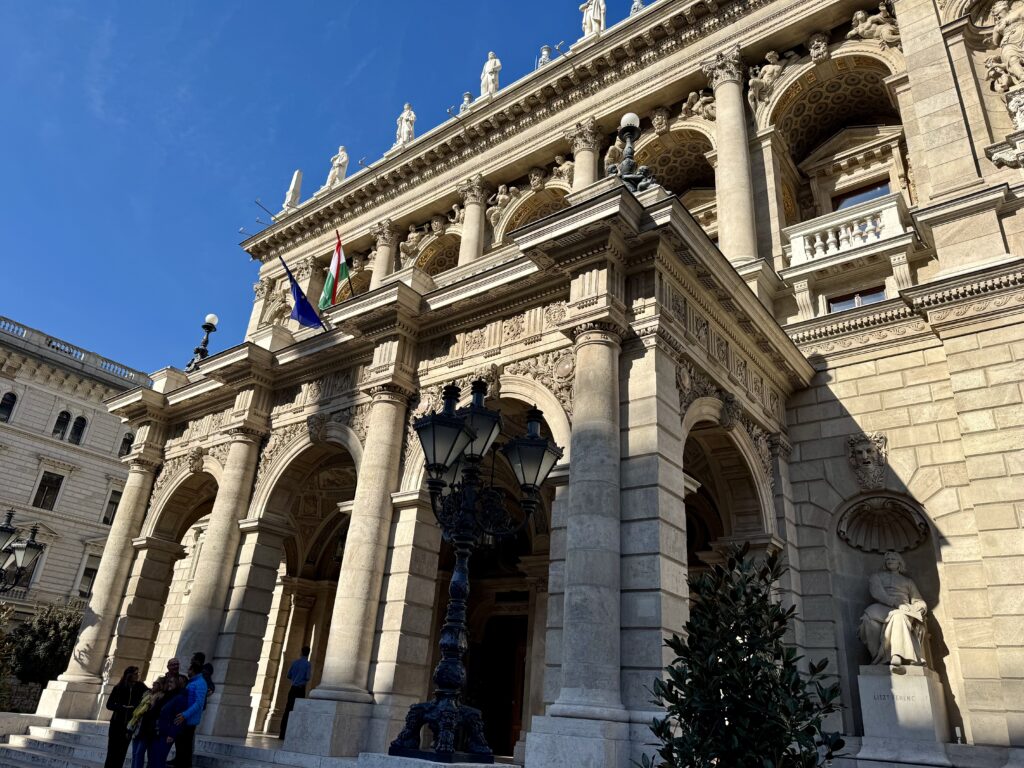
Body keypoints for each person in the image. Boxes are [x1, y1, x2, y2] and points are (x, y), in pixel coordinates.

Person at [859, 550, 929, 669]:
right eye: (887, 560)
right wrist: (896, 603)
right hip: (882, 607)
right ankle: (879, 658)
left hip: (904, 609)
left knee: (898, 616)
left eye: (893, 559)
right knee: (867, 619)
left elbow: (917, 599)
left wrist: (921, 607)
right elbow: (878, 593)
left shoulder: (908, 581)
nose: (889, 561)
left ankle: (897, 655)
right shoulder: (876, 577)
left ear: (899, 563)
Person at [104, 666, 147, 768]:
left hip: (129, 724)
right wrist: (122, 707)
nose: (137, 675)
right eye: (135, 673)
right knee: (112, 750)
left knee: (122, 750)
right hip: (116, 723)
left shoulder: (140, 686)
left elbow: (149, 693)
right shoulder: (118, 688)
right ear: (129, 675)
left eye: (138, 673)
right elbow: (109, 705)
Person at [169, 661, 208, 768]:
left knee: (185, 747)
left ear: (193, 670)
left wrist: (185, 715)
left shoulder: (200, 683)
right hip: (183, 719)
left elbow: (199, 703)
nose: (187, 671)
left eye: (189, 669)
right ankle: (179, 761)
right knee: (180, 746)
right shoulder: (192, 681)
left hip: (189, 720)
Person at [150, 675, 189, 768]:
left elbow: (179, 718)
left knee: (160, 759)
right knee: (153, 758)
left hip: (167, 734)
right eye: (168, 682)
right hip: (158, 731)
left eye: (171, 682)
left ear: (177, 684)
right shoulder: (167, 695)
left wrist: (172, 734)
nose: (169, 684)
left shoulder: (180, 698)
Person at [128, 677, 166, 768]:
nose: (153, 685)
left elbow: (153, 713)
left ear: (160, 686)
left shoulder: (160, 697)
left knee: (139, 754)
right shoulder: (146, 695)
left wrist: (151, 703)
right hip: (137, 726)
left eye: (156, 683)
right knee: (134, 753)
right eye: (153, 683)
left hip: (147, 729)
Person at [278, 646, 313, 739]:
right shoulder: (308, 664)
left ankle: (282, 733)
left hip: (293, 688)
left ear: (301, 652)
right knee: (297, 710)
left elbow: (288, 675)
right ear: (308, 653)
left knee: (288, 709)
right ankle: (292, 734)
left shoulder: (295, 662)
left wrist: (295, 678)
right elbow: (308, 677)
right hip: (301, 689)